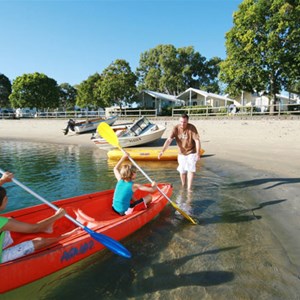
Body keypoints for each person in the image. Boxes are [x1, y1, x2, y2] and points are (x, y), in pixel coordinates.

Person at [0, 171, 76, 263]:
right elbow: (34, 228)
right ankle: (65, 236)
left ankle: (46, 227)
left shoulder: (3, 222)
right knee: (40, 242)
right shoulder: (2, 222)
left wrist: (3, 180)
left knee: (9, 221)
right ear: (5, 200)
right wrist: (57, 216)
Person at [158, 113, 201, 190]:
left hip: (191, 152)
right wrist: (162, 151)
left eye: (184, 122)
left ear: (187, 121)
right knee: (182, 171)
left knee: (190, 170)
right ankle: (183, 185)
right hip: (181, 153)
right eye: (181, 121)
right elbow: (169, 140)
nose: (182, 124)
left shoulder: (192, 128)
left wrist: (198, 153)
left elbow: (197, 140)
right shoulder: (176, 128)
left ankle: (189, 188)